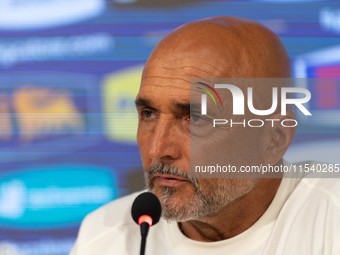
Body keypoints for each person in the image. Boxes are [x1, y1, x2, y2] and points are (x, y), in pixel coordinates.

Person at [69, 16, 340, 255]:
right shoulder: (106, 237)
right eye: (149, 114)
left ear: (274, 139)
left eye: (195, 118)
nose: (157, 148)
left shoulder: (331, 221)